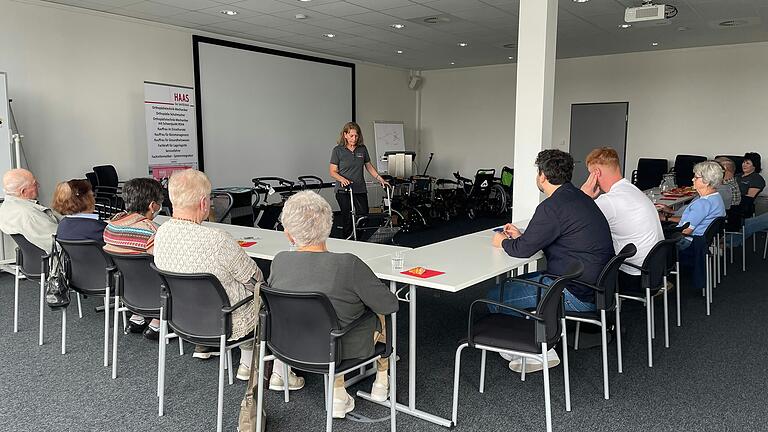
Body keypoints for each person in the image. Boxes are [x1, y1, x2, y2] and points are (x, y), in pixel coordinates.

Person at [153, 169, 303, 389]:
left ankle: (246, 361)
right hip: (227, 321)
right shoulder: (217, 240)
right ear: (204, 203)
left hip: (183, 318)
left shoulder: (161, 233)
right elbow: (256, 280)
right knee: (270, 295)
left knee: (232, 287)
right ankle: (281, 371)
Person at [268, 191, 398, 418]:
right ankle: (380, 382)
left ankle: (339, 392)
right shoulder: (348, 264)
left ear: (289, 235)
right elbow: (389, 304)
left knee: (328, 318)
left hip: (290, 345)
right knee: (376, 312)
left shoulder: (279, 261)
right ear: (329, 226)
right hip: (342, 348)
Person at [490, 149, 614, 372]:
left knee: (495, 297)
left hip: (575, 291)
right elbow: (554, 236)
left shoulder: (551, 206)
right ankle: (538, 334)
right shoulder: (579, 198)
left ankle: (539, 350)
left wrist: (502, 242)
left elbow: (522, 251)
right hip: (594, 286)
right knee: (510, 286)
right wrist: (523, 237)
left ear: (542, 176)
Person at [580, 147, 664, 292]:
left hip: (634, 275)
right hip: (655, 269)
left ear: (596, 173)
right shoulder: (633, 190)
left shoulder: (609, 200)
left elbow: (576, 224)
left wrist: (584, 197)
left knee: (584, 266)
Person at [103, 177, 165, 340]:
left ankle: (137, 317)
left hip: (128, 292)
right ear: (153, 206)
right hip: (155, 294)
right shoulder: (152, 232)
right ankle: (157, 322)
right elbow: (166, 260)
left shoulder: (111, 225)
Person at [658, 161, 726, 291]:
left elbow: (685, 230)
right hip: (701, 241)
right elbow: (691, 221)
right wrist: (668, 216)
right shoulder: (716, 198)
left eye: (696, 177)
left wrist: (661, 223)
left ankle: (659, 281)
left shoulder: (702, 204)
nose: (692, 179)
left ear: (706, 181)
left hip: (689, 244)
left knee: (652, 242)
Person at [329, 122, 388, 238]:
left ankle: (358, 239)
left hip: (359, 188)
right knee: (348, 218)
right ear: (345, 135)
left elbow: (369, 166)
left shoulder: (362, 149)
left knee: (363, 216)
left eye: (356, 136)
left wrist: (380, 179)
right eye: (351, 136)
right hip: (343, 190)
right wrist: (342, 179)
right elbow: (332, 171)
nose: (354, 138)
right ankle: (347, 241)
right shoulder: (338, 150)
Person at [0, 168, 60, 251]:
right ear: (23, 191)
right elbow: (59, 244)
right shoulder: (29, 215)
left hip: (34, 261)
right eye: (35, 184)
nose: (38, 185)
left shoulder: (6, 207)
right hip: (54, 261)